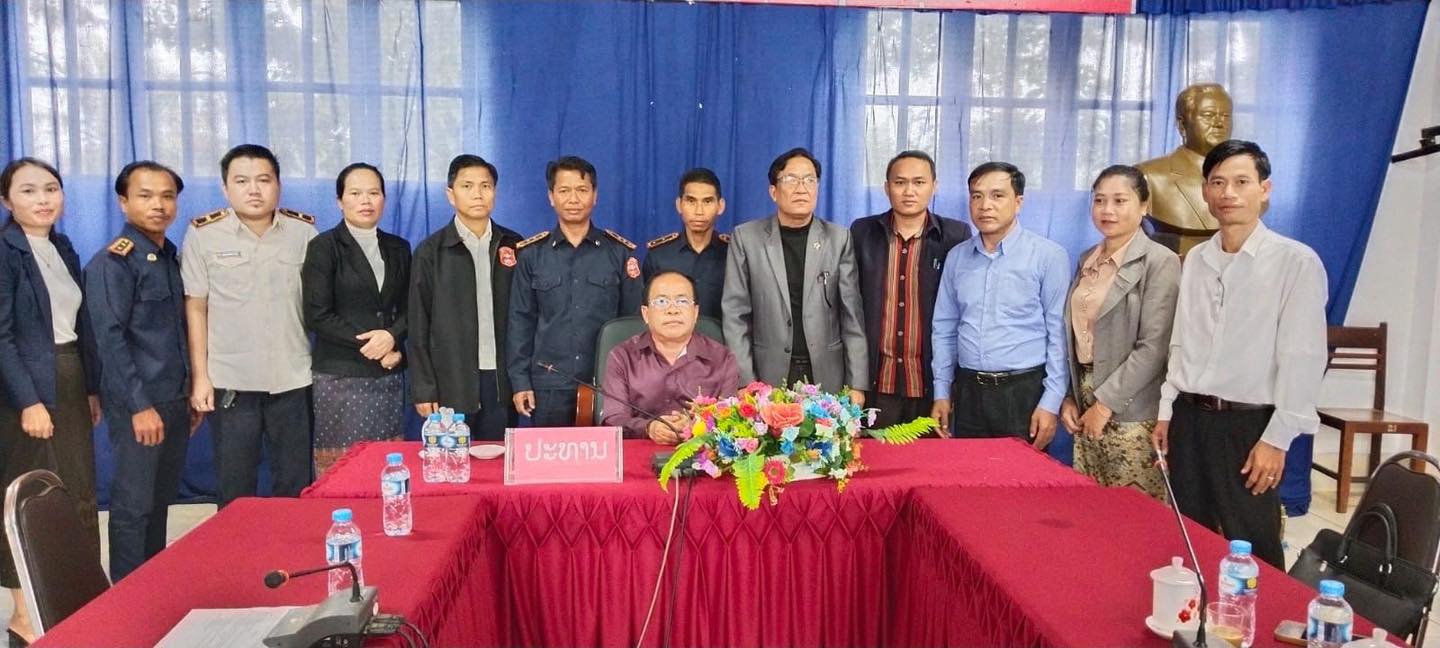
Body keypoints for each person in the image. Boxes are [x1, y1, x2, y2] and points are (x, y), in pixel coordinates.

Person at [1154, 140, 1328, 569]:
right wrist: (1166, 410)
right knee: (1189, 541)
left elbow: (1303, 358)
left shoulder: (1295, 262)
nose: (1228, 193)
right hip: (1190, 417)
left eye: (1241, 182)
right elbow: (1182, 341)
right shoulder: (1197, 259)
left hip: (1248, 425)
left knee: (1252, 546)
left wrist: (1277, 439)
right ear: (1205, 191)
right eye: (1217, 183)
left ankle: (1262, 614)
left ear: (1264, 189)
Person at [182, 144, 318, 506]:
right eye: (242, 181)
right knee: (235, 485)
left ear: (278, 185)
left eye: (264, 180)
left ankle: (290, 543)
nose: (254, 190)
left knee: (295, 484)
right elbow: (195, 306)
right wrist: (201, 377)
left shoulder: (303, 232)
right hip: (232, 381)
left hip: (292, 378)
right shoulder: (203, 234)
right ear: (225, 188)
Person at [0, 158, 101, 643]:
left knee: (77, 491)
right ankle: (24, 615)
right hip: (25, 388)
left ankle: (78, 601)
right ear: (6, 200)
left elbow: (78, 326)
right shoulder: (5, 251)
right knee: (25, 498)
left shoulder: (62, 247)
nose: (43, 199)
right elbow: (1, 336)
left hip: (70, 376)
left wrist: (90, 388)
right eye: (28, 190)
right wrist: (28, 401)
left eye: (51, 188)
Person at [84, 161, 197, 582]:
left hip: (173, 399)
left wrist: (187, 394)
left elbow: (176, 334)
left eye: (167, 196)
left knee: (160, 501)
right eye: (146, 196)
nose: (158, 205)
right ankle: (127, 595)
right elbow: (109, 340)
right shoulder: (114, 262)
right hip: (139, 403)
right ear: (123, 201)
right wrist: (138, 406)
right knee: (134, 506)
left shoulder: (168, 256)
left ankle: (152, 585)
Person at [1058, 165, 1180, 500]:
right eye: (1099, 200)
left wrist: (1104, 406)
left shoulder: (1160, 261)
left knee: (1133, 509)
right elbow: (1075, 335)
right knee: (1093, 504)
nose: (1107, 210)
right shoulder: (1087, 259)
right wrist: (1070, 395)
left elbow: (1154, 347)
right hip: (1085, 399)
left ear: (1144, 206)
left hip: (1132, 407)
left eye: (1119, 200)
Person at [931, 162, 1070, 447]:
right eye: (977, 196)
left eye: (997, 195)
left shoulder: (1048, 256)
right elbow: (944, 328)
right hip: (968, 391)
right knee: (969, 473)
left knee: (1022, 475)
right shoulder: (957, 257)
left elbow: (1059, 334)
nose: (985, 206)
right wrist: (941, 392)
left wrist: (1051, 402)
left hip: (1024, 391)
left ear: (1018, 202)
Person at [721, 148, 867, 402]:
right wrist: (744, 381)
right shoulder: (747, 238)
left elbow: (851, 316)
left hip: (827, 374)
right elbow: (735, 314)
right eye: (791, 179)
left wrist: (857, 384)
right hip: (768, 375)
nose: (802, 188)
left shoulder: (838, 238)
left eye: (810, 180)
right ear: (773, 191)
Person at [508, 156, 643, 426]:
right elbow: (520, 321)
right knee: (550, 454)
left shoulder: (619, 253)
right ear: (551, 196)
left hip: (608, 383)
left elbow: (633, 324)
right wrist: (520, 381)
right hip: (549, 384)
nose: (573, 199)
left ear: (595, 195)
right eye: (564, 190)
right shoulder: (532, 255)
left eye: (582, 190)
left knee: (608, 454)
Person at [302, 163, 410, 473]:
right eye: (355, 193)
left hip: (388, 372)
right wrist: (374, 344)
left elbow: (411, 307)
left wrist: (392, 338)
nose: (366, 201)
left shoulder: (399, 248)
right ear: (339, 201)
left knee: (386, 467)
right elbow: (318, 315)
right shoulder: (324, 247)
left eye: (374, 193)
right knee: (342, 471)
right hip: (340, 376)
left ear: (384, 199)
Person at [850, 151, 970, 428]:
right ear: (886, 187)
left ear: (934, 186)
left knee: (930, 456)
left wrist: (946, 387)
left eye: (919, 182)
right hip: (876, 381)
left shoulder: (955, 235)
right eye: (900, 182)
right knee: (872, 454)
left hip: (930, 384)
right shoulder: (863, 232)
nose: (909, 191)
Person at [410, 154, 524, 440]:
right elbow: (418, 324)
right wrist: (424, 387)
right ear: (451, 194)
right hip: (450, 381)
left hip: (502, 379)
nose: (477, 194)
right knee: (450, 461)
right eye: (467, 186)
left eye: (485, 186)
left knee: (498, 460)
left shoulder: (515, 245)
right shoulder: (431, 252)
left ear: (495, 192)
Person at [601, 271, 739, 442]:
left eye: (682, 301)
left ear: (695, 312)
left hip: (702, 452)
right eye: (661, 302)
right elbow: (613, 420)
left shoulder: (723, 358)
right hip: (641, 449)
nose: (672, 310)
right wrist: (648, 428)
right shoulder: (622, 356)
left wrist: (695, 425)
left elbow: (731, 420)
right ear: (646, 313)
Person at [1136, 83, 1234, 255]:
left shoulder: (1248, 178)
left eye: (1226, 116)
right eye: (1208, 115)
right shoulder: (1148, 176)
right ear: (1182, 124)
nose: (1219, 123)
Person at [643, 168, 730, 319]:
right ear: (679, 205)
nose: (699, 211)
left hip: (722, 334)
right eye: (691, 201)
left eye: (707, 201)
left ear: (720, 206)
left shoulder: (734, 254)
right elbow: (647, 310)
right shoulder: (659, 256)